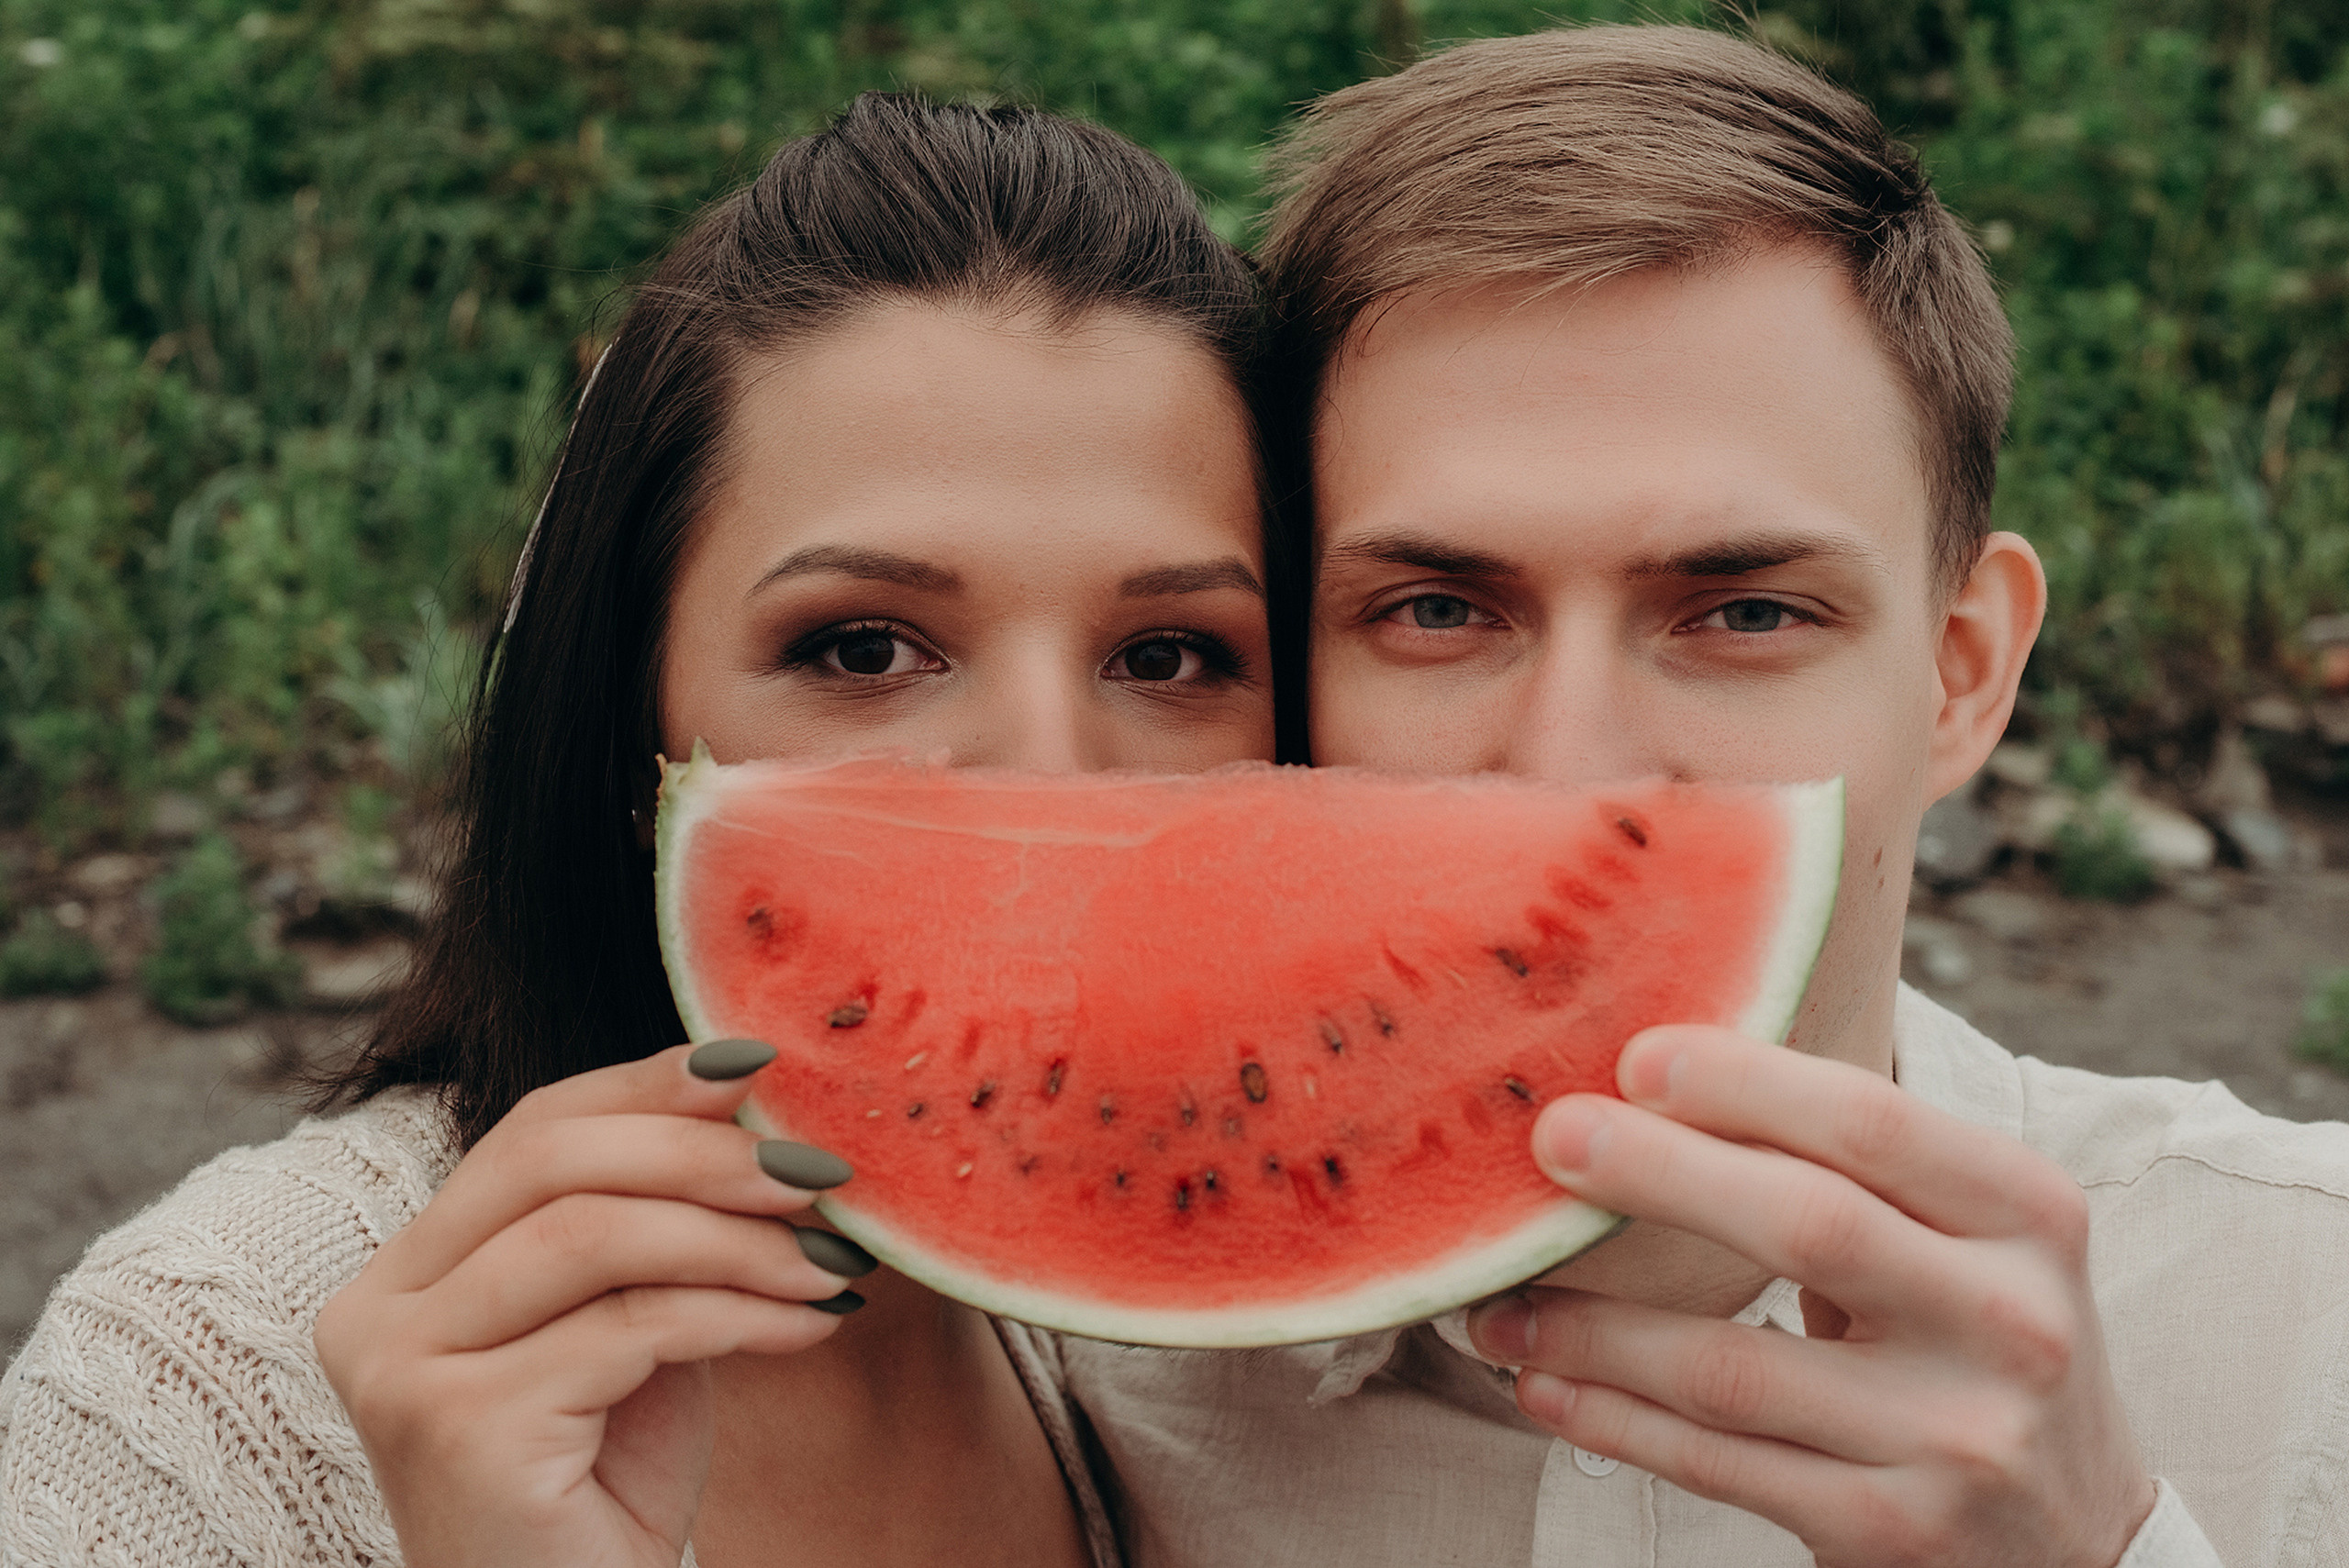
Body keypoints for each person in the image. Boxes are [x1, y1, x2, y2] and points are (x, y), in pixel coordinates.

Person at [1054, 25, 2349, 1568]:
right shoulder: (1061, 1362)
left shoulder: (2307, 1306)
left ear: (1961, 675)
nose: (1572, 765)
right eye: (1438, 611)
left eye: (1743, 613)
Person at [0, 94, 1287, 1568]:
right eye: (864, 648)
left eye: (1171, 656)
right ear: (633, 720)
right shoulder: (196, 1383)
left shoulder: (1259, 1356)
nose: (1052, 800)